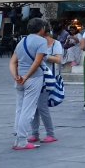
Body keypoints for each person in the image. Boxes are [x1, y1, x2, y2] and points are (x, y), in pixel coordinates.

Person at [9, 18, 47, 150]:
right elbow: (37, 62)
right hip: (33, 78)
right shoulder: (42, 41)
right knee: (28, 110)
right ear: (42, 28)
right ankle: (22, 140)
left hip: (19, 79)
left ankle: (17, 138)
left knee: (19, 109)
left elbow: (13, 61)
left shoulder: (22, 41)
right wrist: (26, 76)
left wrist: (16, 76)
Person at [28, 25, 63, 144]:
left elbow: (59, 60)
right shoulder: (38, 44)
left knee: (42, 106)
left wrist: (46, 57)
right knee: (34, 107)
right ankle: (35, 133)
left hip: (48, 79)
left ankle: (50, 133)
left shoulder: (56, 44)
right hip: (35, 76)